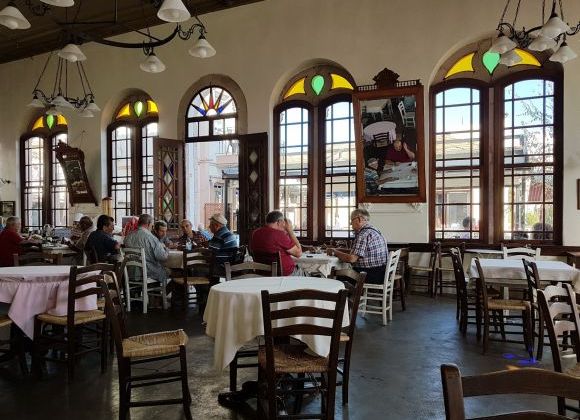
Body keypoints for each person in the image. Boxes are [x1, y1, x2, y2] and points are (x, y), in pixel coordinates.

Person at [326, 209, 388, 284]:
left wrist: (334, 252)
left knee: (333, 275)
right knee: (341, 272)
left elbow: (352, 259)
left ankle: (340, 292)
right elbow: (358, 252)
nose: (350, 224)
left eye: (351, 220)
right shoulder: (374, 231)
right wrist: (337, 249)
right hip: (380, 273)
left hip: (369, 275)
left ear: (359, 219)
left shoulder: (363, 234)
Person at [251, 210, 303, 276]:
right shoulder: (279, 234)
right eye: (283, 222)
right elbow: (299, 253)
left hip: (263, 273)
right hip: (285, 274)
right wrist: (290, 231)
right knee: (310, 276)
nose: (284, 225)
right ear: (279, 222)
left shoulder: (255, 233)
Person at [124, 214, 169, 282]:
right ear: (148, 224)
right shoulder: (151, 237)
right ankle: (160, 289)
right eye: (152, 225)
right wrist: (166, 249)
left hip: (131, 273)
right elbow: (163, 257)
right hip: (148, 273)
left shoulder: (128, 236)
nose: (152, 227)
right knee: (171, 272)